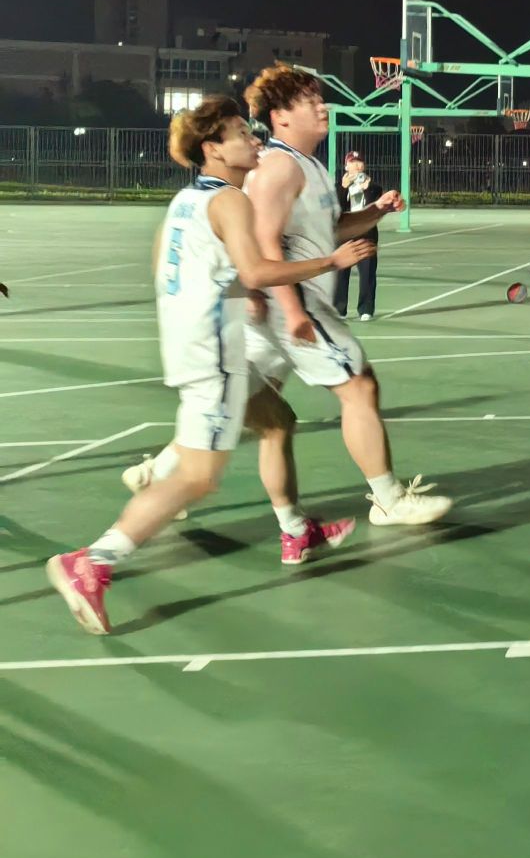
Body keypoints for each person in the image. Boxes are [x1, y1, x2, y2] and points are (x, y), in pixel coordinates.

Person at [46, 96, 373, 635]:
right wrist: (330, 262)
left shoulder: (186, 201)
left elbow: (172, 266)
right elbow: (258, 269)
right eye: (241, 133)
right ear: (212, 148)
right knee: (199, 476)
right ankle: (92, 563)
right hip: (214, 355)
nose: (253, 139)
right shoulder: (231, 201)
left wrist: (232, 291)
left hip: (193, 342)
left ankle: (296, 530)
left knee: (276, 421)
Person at [241, 64, 452, 527]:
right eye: (309, 101)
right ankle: (389, 499)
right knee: (359, 385)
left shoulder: (309, 165)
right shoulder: (278, 167)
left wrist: (375, 211)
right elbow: (264, 243)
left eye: (320, 98)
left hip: (276, 305)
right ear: (280, 116)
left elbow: (329, 231)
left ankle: (164, 476)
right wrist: (294, 312)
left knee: (245, 404)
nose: (322, 107)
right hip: (290, 299)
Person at [335, 150, 383, 320]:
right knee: (341, 273)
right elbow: (336, 209)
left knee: (367, 273)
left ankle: (366, 309)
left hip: (366, 234)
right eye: (352, 162)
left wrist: (367, 189)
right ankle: (339, 309)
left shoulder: (375, 188)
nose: (356, 165)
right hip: (345, 234)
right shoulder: (337, 186)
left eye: (359, 162)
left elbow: (374, 209)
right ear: (346, 166)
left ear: (364, 165)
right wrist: (343, 188)